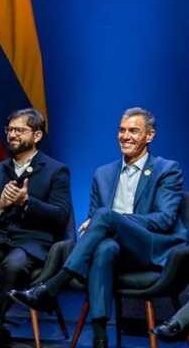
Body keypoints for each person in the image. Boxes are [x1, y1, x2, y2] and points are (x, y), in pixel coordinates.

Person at [11, 107, 187, 348]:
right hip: (115, 248)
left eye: (133, 131)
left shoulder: (167, 170)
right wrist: (99, 223)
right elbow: (95, 221)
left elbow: (165, 219)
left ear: (149, 136)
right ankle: (100, 336)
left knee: (106, 216)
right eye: (121, 130)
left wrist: (115, 219)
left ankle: (54, 284)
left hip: (150, 246)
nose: (125, 136)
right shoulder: (102, 174)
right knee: (104, 248)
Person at [0, 108, 71, 348]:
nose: (12, 135)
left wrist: (27, 202)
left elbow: (60, 216)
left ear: (37, 136)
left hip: (32, 242)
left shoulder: (56, 170)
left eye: (19, 130)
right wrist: (0, 205)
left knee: (14, 264)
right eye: (9, 130)